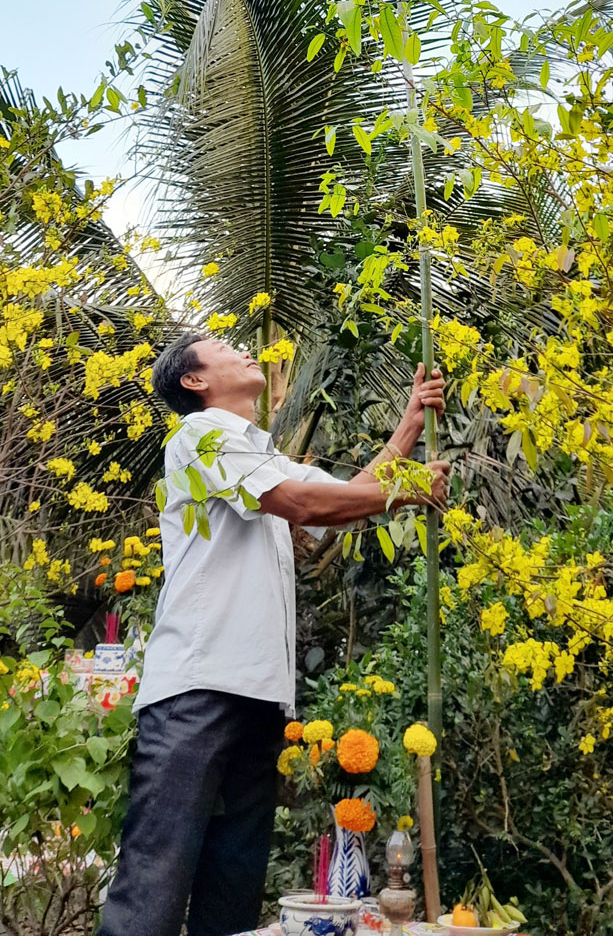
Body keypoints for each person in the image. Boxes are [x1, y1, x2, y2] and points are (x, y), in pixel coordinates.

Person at [97, 333, 448, 936]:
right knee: (151, 888)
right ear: (195, 382)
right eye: (223, 351)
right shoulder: (198, 436)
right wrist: (409, 490)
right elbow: (303, 504)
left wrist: (408, 425)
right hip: (196, 692)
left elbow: (341, 492)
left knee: (231, 897)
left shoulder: (255, 454)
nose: (242, 352)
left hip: (257, 697)